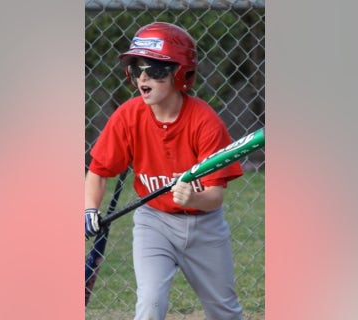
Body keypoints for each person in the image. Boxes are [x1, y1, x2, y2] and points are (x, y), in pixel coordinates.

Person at [85, 21, 244, 320]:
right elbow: (98, 170)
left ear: (179, 74)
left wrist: (192, 199)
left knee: (223, 310)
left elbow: (214, 197)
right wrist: (90, 209)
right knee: (150, 303)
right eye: (137, 69)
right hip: (154, 222)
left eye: (155, 70)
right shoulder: (128, 116)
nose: (143, 77)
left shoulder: (204, 122)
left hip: (204, 226)